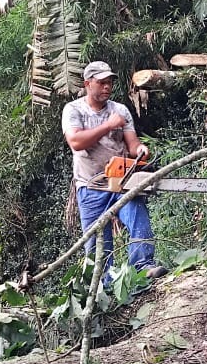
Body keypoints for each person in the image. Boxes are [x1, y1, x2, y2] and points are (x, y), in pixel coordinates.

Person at [62, 60, 165, 279]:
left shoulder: (120, 110)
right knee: (97, 244)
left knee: (137, 214)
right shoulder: (74, 110)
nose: (107, 86)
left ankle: (143, 265)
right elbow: (76, 142)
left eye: (109, 82)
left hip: (120, 181)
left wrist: (140, 150)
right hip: (90, 185)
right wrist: (108, 125)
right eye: (101, 83)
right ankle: (103, 288)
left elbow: (132, 144)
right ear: (88, 83)